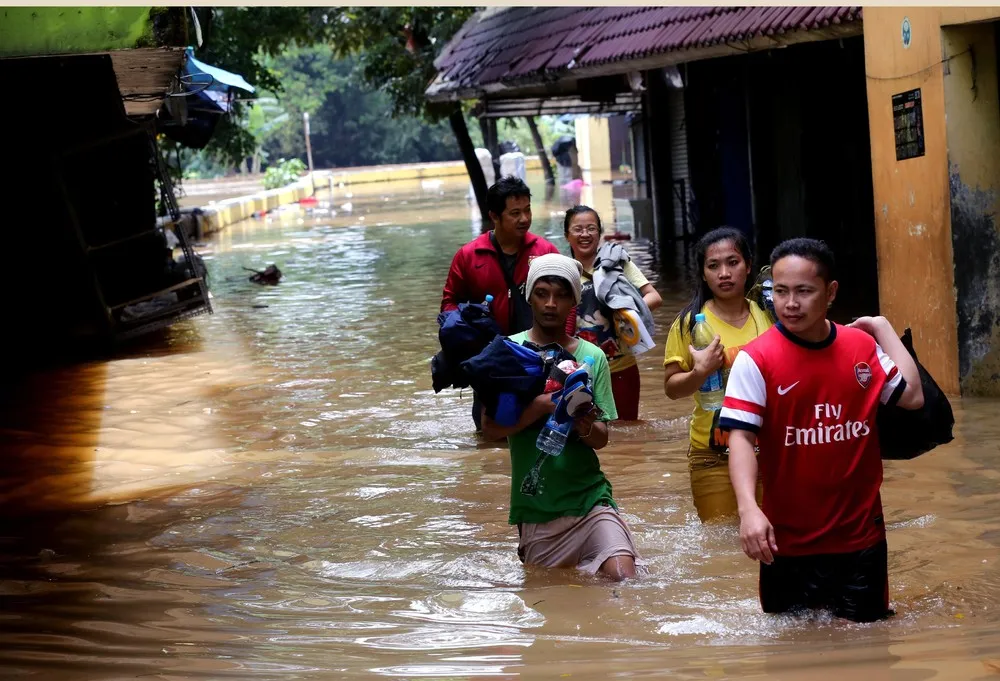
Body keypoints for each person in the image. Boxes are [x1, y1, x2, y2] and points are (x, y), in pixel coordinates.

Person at [720, 238, 924, 623]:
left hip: (860, 539)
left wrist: (883, 329)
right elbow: (741, 438)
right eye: (780, 292)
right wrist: (748, 509)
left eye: (803, 291)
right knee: (789, 652)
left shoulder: (861, 347)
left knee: (867, 646)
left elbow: (911, 396)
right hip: (785, 543)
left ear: (830, 292)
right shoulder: (756, 359)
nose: (790, 303)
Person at [480, 253, 640, 581]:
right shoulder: (507, 352)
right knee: (552, 604)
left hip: (591, 501)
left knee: (626, 580)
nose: (551, 303)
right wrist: (540, 406)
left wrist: (583, 426)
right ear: (529, 298)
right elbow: (490, 428)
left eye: (561, 294)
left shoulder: (592, 357)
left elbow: (601, 437)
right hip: (537, 509)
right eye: (542, 294)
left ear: (574, 303)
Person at [663, 227, 772, 521]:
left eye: (733, 262)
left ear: (748, 266)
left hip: (771, 452)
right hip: (712, 455)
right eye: (713, 266)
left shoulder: (771, 316)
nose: (724, 273)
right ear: (703, 274)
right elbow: (672, 389)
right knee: (720, 547)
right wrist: (699, 372)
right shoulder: (688, 324)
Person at [441, 176, 559, 428]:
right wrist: (466, 337)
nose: (524, 219)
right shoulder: (469, 256)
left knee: (538, 429)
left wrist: (564, 344)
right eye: (515, 213)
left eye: (527, 210)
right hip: (489, 362)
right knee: (489, 432)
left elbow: (568, 302)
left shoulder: (545, 251)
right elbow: (449, 304)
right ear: (494, 216)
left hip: (539, 358)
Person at [564, 206, 661, 421]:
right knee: (585, 431)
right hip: (580, 370)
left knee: (627, 434)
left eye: (591, 228)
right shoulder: (563, 272)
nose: (585, 234)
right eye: (578, 229)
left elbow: (653, 297)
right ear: (567, 236)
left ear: (599, 233)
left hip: (622, 367)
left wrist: (626, 315)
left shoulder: (617, 263)